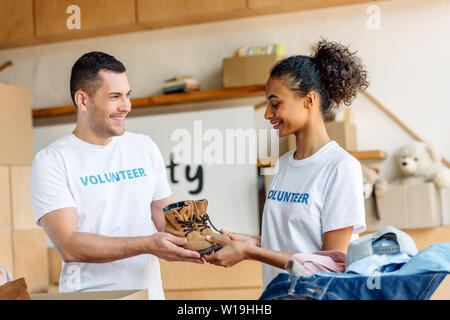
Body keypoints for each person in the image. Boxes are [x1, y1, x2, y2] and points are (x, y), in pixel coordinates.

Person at [30, 51, 203, 298]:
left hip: (148, 295)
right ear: (83, 100)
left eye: (127, 95)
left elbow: (165, 215)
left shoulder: (144, 147)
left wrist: (206, 241)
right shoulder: (52, 161)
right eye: (114, 97)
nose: (126, 106)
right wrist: (147, 244)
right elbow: (69, 245)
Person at [204, 39, 369, 289]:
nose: (268, 114)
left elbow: (334, 264)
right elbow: (296, 243)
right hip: (278, 294)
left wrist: (250, 253)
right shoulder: (283, 165)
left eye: (275, 103)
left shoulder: (340, 167)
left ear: (309, 100)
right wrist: (252, 243)